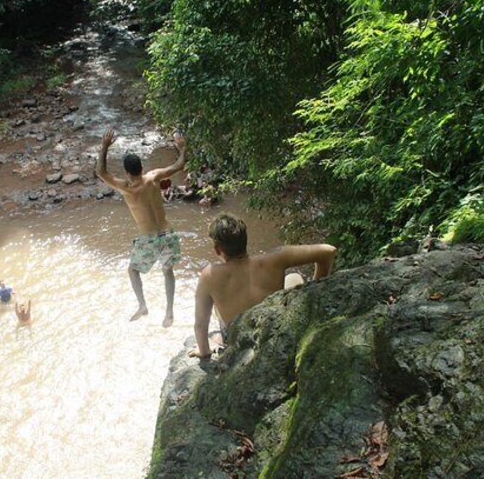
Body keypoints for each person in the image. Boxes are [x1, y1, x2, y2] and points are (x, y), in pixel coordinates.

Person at [189, 213, 337, 359]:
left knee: (215, 304)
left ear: (217, 249)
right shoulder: (275, 258)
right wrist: (316, 288)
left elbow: (201, 323)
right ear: (245, 239)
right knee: (294, 277)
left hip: (241, 339)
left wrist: (204, 351)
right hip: (274, 327)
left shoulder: (210, 275)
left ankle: (220, 339)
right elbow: (329, 251)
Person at [96, 127, 186, 327]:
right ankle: (169, 312)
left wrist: (104, 146)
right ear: (142, 167)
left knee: (132, 271)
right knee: (167, 269)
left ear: (127, 172)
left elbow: (101, 172)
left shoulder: (127, 188)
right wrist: (182, 147)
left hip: (149, 239)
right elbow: (180, 165)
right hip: (168, 234)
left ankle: (143, 305)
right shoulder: (154, 177)